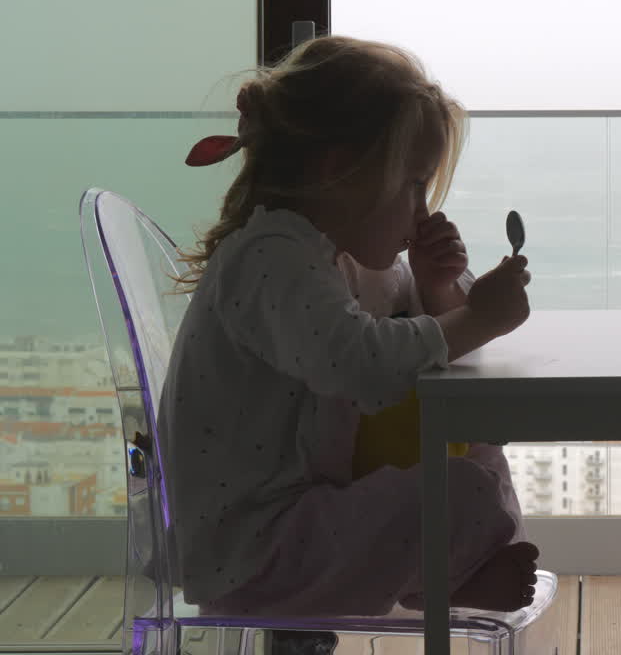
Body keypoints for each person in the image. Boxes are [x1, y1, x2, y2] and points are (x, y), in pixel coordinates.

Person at [160, 35, 537, 617]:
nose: (423, 209)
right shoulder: (270, 258)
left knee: (478, 453)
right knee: (465, 491)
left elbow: (413, 327)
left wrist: (439, 288)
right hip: (258, 552)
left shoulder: (342, 255)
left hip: (311, 518)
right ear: (340, 173)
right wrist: (480, 318)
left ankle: (440, 576)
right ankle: (441, 584)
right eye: (412, 183)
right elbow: (363, 364)